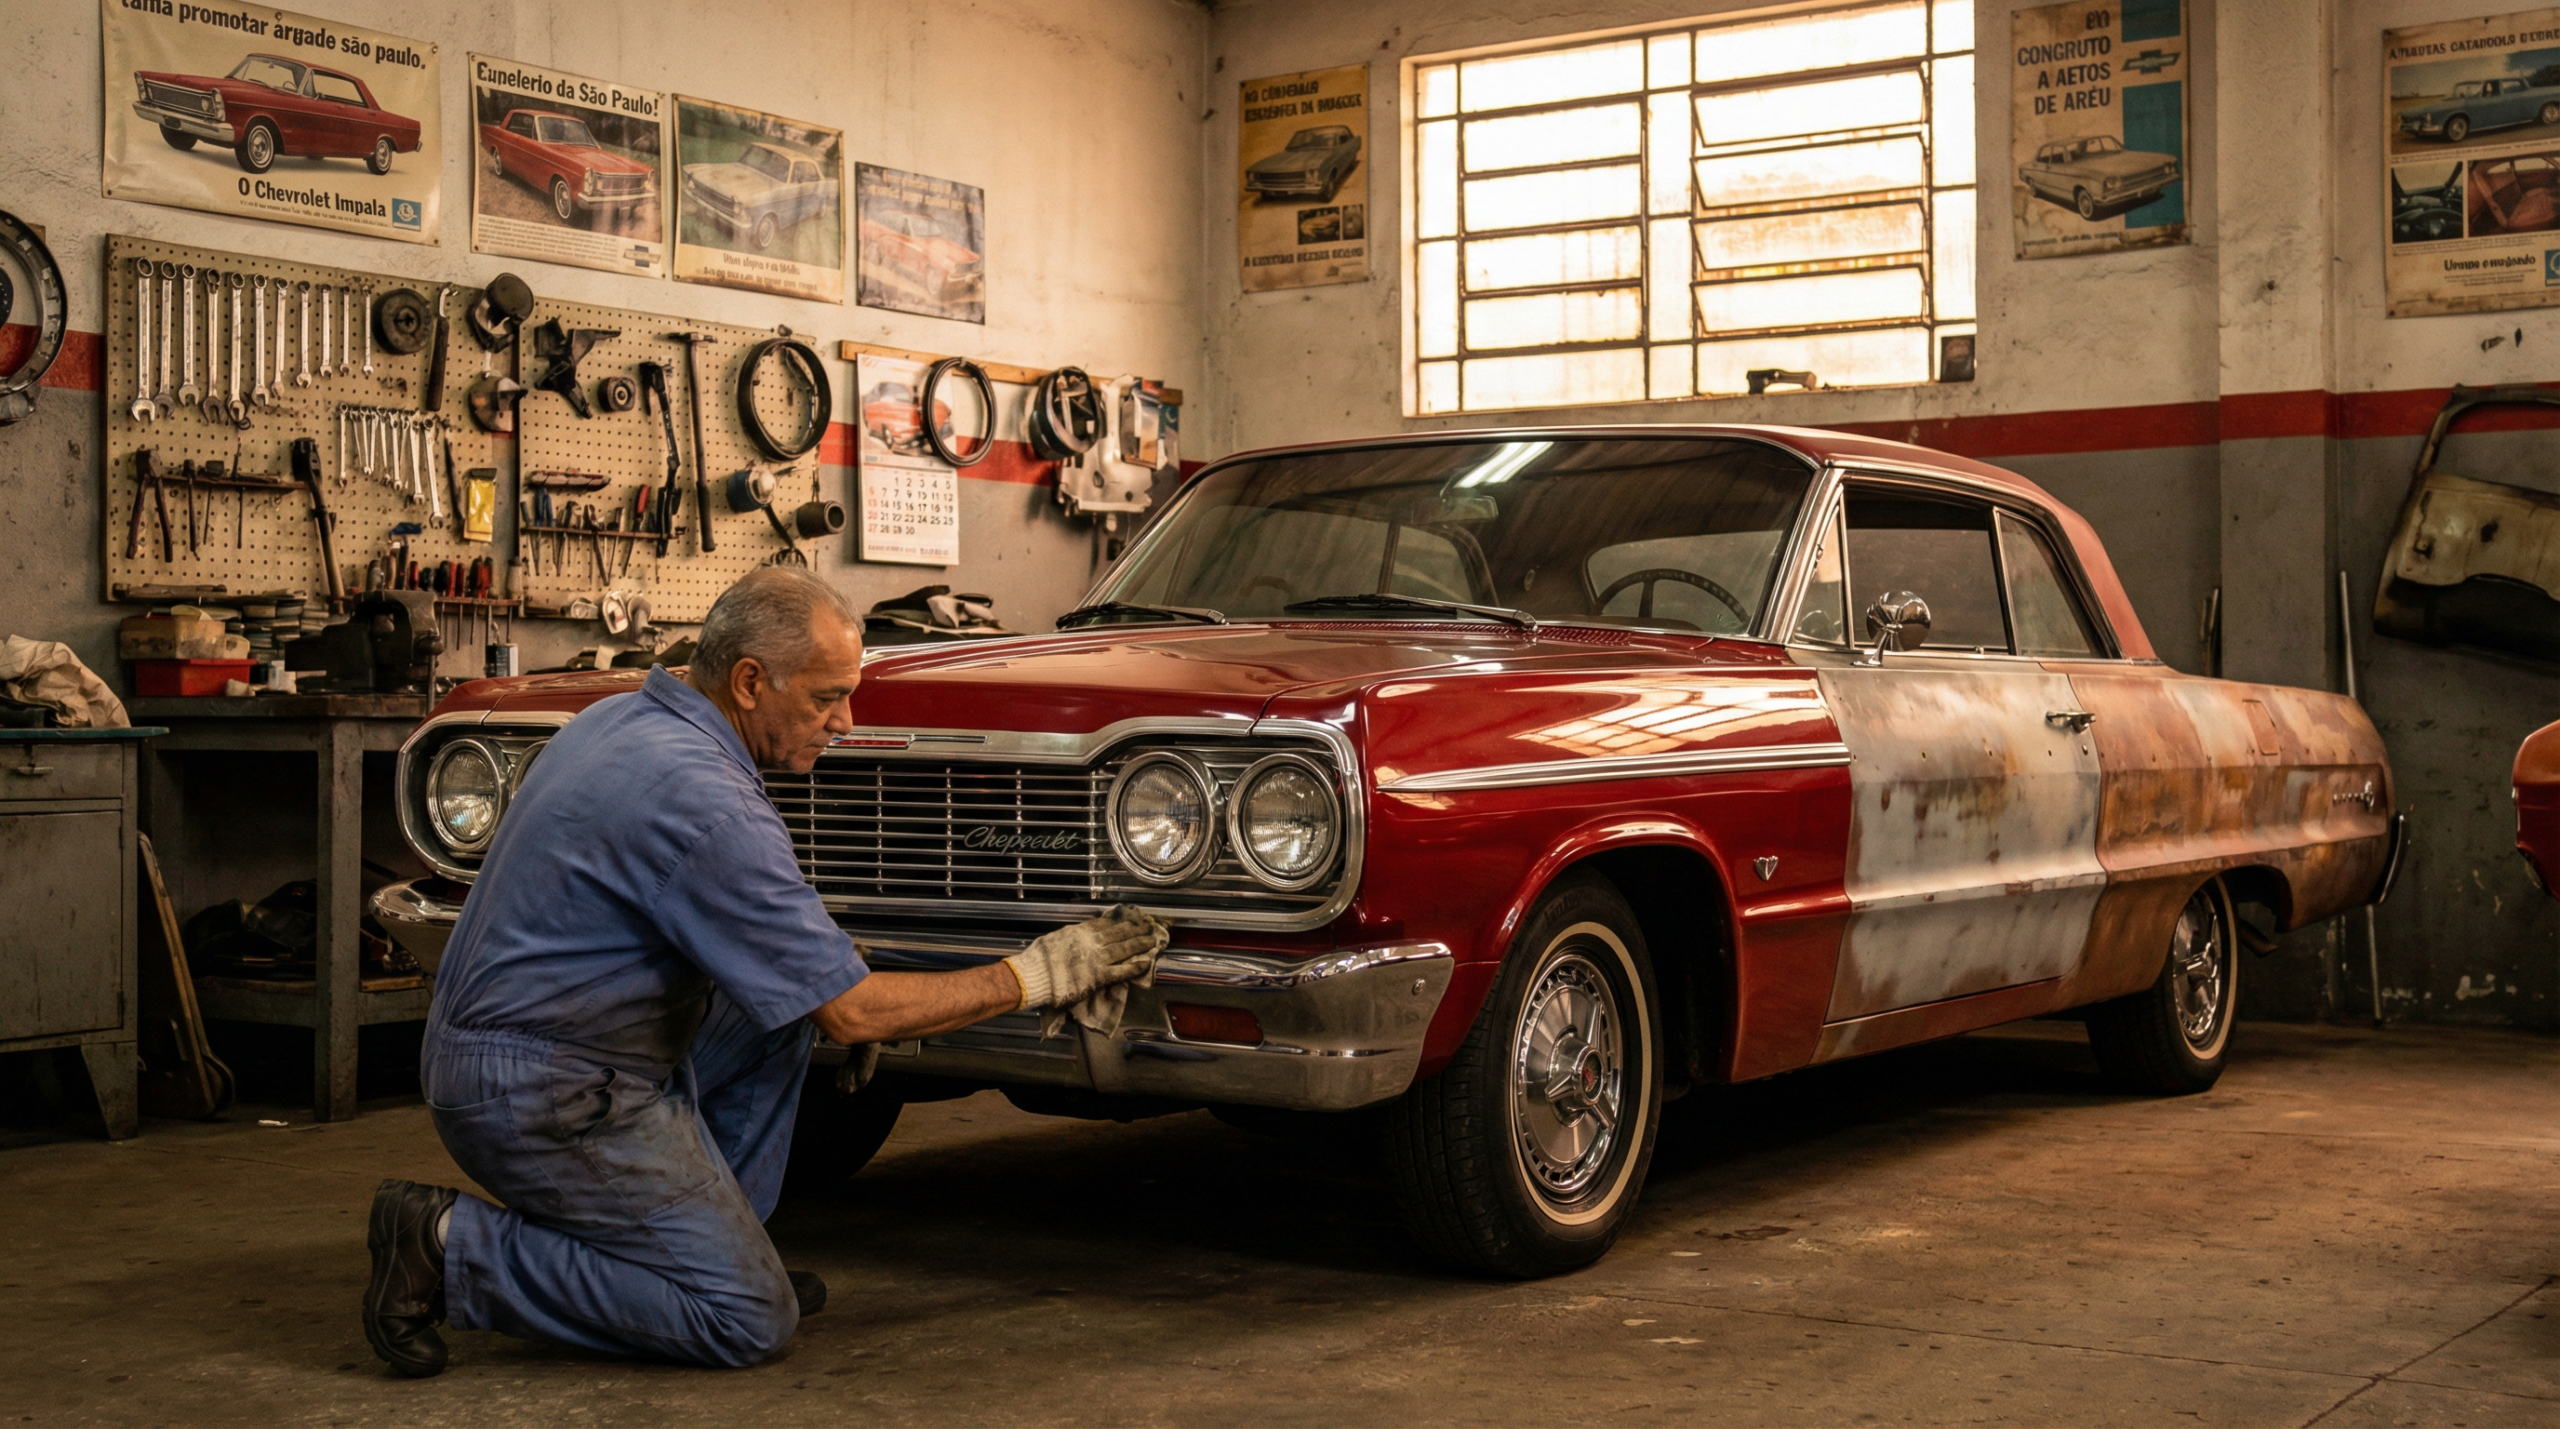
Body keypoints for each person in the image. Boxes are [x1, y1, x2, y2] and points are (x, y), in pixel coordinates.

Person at [363, 566, 1165, 1376]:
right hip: (538, 1094)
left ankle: (713, 1244)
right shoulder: (705, 799)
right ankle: (447, 1245)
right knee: (745, 1317)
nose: (844, 722)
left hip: (523, 1050)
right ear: (749, 681)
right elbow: (850, 1011)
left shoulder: (619, 720)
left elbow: (795, 964)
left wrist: (835, 980)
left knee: (774, 1008)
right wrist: (1041, 973)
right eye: (825, 698)